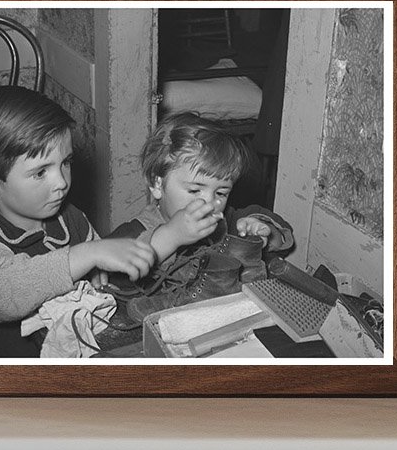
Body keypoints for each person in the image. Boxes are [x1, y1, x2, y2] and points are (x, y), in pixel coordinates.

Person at [0, 86, 154, 357]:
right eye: (40, 173)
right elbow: (3, 295)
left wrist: (95, 269)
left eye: (66, 162)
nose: (61, 182)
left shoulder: (70, 217)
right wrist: (88, 254)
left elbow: (93, 263)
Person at [108, 112, 294, 322]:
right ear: (157, 183)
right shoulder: (131, 233)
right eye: (195, 191)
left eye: (221, 193)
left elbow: (282, 240)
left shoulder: (223, 222)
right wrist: (171, 237)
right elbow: (109, 280)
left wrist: (263, 229)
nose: (209, 203)